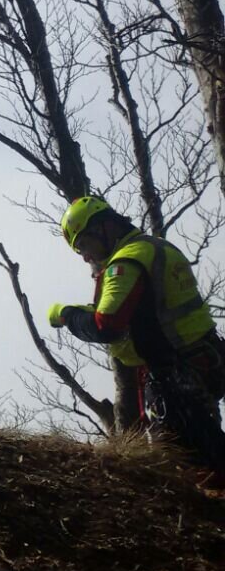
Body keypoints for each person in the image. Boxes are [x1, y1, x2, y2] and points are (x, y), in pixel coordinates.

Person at [49, 197, 225, 488]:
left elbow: (106, 325)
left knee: (192, 467)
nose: (84, 256)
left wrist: (65, 315)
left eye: (82, 246)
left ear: (103, 227)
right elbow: (143, 308)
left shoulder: (127, 262)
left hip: (174, 375)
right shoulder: (157, 247)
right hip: (204, 359)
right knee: (206, 452)